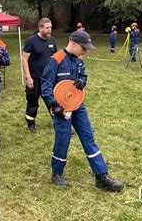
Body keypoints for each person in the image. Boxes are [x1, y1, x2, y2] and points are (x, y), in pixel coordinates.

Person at [41, 30, 124, 191]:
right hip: (61, 108)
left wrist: (81, 81)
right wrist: (53, 104)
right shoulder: (56, 60)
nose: (85, 51)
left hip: (78, 105)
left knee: (88, 137)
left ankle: (101, 176)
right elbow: (45, 85)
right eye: (83, 48)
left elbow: (84, 75)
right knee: (62, 140)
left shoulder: (79, 60)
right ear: (73, 44)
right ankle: (56, 173)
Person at [22, 17, 57, 132]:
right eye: (47, 28)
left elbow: (56, 59)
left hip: (48, 79)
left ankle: (59, 124)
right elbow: (24, 59)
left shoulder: (52, 41)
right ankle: (30, 124)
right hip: (34, 78)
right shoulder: (31, 41)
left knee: (52, 101)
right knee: (32, 102)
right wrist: (28, 77)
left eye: (50, 27)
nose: (49, 30)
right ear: (40, 28)